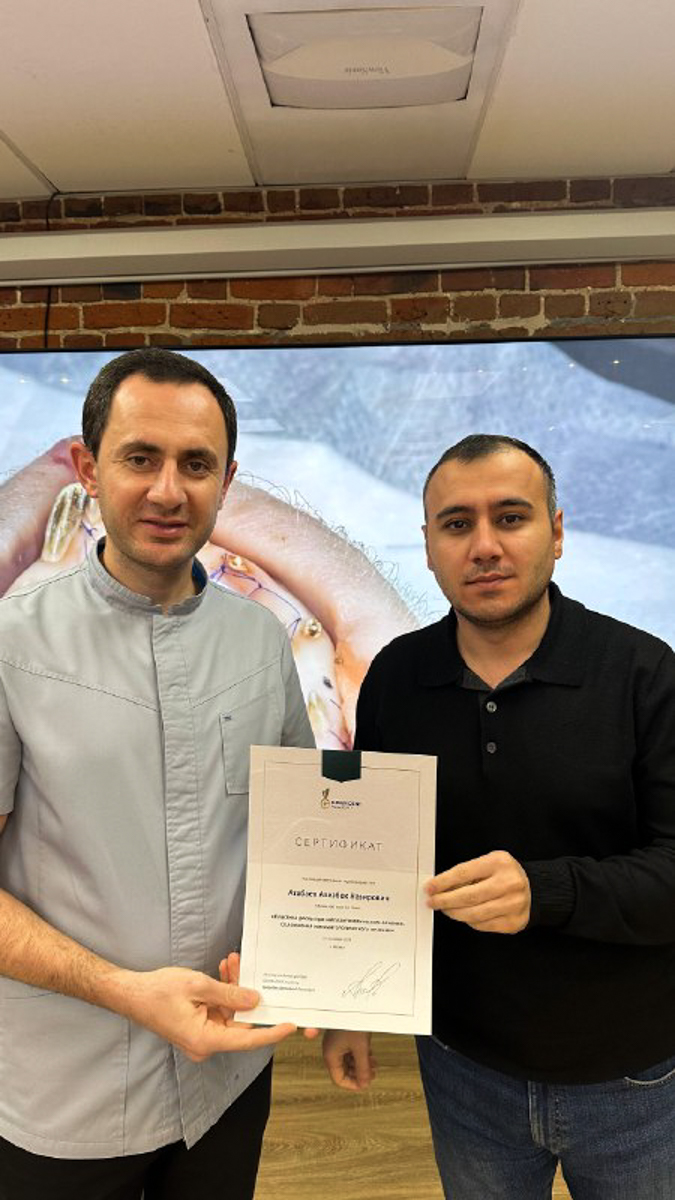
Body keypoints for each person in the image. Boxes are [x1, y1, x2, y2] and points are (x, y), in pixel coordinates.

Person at [323, 434, 675, 1199]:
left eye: (509, 518)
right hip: (463, 1066)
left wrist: (543, 892)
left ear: (556, 531)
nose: (483, 545)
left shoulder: (644, 674)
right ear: (427, 546)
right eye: (456, 524)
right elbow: (367, 854)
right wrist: (344, 1003)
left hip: (633, 1076)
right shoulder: (395, 678)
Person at [0, 347, 315, 1200]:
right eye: (140, 458)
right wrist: (120, 990)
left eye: (196, 465)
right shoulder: (11, 645)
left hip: (226, 1078)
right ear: (86, 468)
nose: (168, 491)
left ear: (226, 481)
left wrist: (340, 976)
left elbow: (297, 840)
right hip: (65, 1092)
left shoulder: (260, 641)